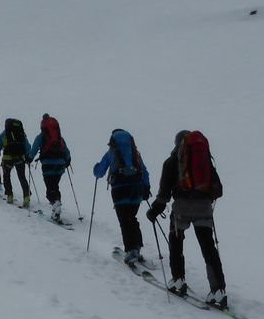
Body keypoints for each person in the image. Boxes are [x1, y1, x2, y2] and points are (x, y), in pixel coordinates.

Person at [145, 130, 228, 308]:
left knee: (176, 242)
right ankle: (219, 291)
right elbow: (218, 189)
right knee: (208, 247)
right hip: (204, 208)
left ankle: (178, 281)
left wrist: (154, 211)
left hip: (182, 207)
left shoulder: (171, 162)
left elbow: (164, 195)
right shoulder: (205, 160)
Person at [93, 128, 150, 265]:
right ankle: (136, 247)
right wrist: (146, 188)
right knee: (132, 218)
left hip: (120, 190)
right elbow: (144, 171)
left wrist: (96, 168)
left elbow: (99, 172)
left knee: (124, 220)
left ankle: (130, 250)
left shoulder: (111, 153)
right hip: (136, 190)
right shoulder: (135, 153)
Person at [28, 113, 71, 220]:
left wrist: (29, 158)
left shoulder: (41, 136)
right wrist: (67, 161)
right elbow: (66, 151)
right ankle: (57, 208)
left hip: (48, 164)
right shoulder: (59, 137)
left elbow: (34, 148)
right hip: (60, 165)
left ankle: (56, 205)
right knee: (55, 186)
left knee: (50, 189)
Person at [0, 117, 33, 208]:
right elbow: (28, 146)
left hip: (7, 158)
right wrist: (28, 156)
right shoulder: (21, 134)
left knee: (6, 176)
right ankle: (26, 197)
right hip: (19, 158)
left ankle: (9, 196)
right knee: (22, 177)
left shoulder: (4, 134)